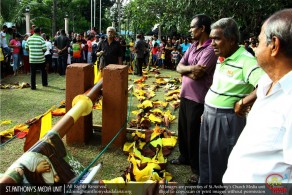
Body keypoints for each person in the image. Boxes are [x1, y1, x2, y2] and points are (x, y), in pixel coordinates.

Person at [223, 9, 292, 186]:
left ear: (274, 45)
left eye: (259, 40)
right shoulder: (267, 82)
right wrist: (243, 102)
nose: (255, 47)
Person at [199, 18, 264, 185]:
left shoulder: (245, 60)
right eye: (211, 38)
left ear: (232, 40)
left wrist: (243, 102)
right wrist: (207, 111)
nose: (212, 43)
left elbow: (266, 83)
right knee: (206, 156)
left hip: (226, 119)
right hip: (209, 115)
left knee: (220, 161)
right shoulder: (222, 56)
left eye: (217, 39)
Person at [171, 14, 217, 184]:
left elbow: (198, 75)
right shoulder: (192, 46)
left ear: (202, 28)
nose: (190, 30)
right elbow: (178, 67)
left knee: (195, 134)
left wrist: (186, 70)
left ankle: (197, 170)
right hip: (184, 96)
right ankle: (184, 157)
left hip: (198, 99)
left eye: (192, 27)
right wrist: (189, 69)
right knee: (183, 129)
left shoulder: (210, 49)